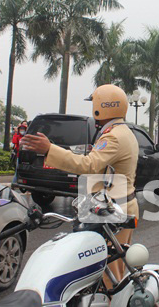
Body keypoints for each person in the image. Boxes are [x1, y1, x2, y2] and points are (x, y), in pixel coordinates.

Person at [20, 84, 139, 283]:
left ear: (103, 106)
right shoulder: (122, 132)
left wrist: (50, 149)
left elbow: (88, 164)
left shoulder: (114, 137)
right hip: (119, 206)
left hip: (113, 211)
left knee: (109, 273)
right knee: (114, 266)